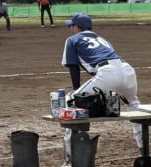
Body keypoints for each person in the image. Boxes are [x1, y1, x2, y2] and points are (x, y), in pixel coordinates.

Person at [61, 13, 142, 159]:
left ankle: (70, 159)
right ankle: (144, 152)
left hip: (107, 72)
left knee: (71, 101)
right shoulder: (101, 39)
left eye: (72, 26)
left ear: (77, 27)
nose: (71, 29)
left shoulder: (72, 39)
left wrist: (76, 89)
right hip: (127, 69)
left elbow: (73, 66)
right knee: (134, 105)